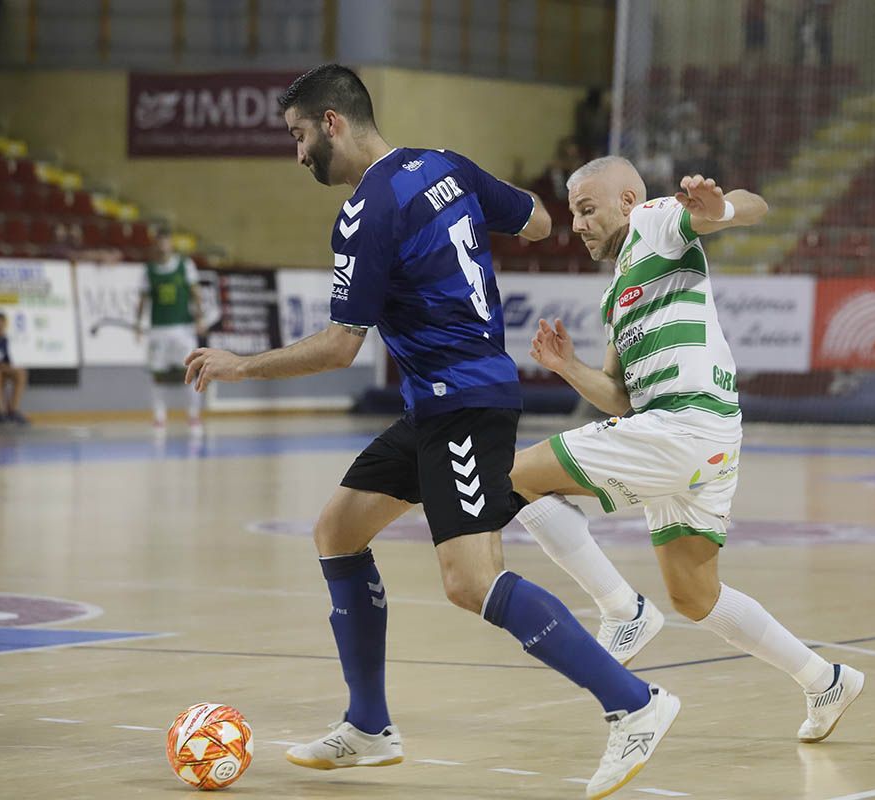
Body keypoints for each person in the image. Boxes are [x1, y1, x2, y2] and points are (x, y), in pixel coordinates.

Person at [183, 64, 679, 799]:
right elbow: (539, 221)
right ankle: (369, 728)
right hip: (438, 404)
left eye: (296, 137)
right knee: (337, 530)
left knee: (469, 581)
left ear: (332, 123)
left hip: (463, 405)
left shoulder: (364, 214)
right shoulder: (443, 165)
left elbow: (341, 346)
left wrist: (240, 365)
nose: (296, 156)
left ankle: (634, 703)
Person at [509, 157, 865, 745]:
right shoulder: (618, 293)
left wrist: (717, 210)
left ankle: (621, 608)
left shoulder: (655, 223)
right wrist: (566, 367)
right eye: (573, 213)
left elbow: (755, 203)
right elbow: (620, 399)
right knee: (695, 596)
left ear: (628, 200)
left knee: (515, 476)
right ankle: (823, 679)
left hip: (685, 424)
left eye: (587, 209)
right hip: (700, 435)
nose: (578, 225)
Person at [135, 229, 207, 435]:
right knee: (158, 374)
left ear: (171, 244)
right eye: (159, 242)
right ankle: (159, 416)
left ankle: (193, 415)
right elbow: (142, 300)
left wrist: (200, 317)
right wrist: (138, 324)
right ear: (155, 245)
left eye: (165, 241)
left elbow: (196, 293)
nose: (162, 246)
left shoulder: (185, 266)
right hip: (158, 329)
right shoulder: (148, 271)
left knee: (190, 371)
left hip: (182, 328)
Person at [0, 311, 29, 425]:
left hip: (2, 368)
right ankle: (1, 412)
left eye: (1, 323)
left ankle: (13, 410)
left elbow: (6, 360)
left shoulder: (4, 339)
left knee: (21, 373)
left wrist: (9, 368)